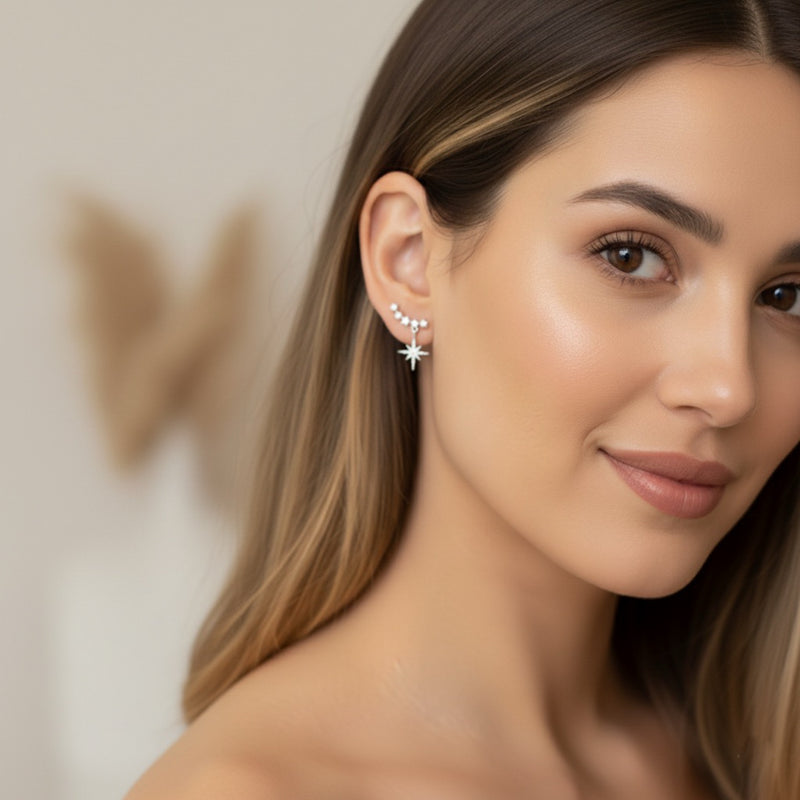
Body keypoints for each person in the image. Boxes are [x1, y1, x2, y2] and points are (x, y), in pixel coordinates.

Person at [126, 1, 800, 797]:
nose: (727, 388)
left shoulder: (743, 758)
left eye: (788, 297)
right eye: (631, 255)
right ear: (408, 259)